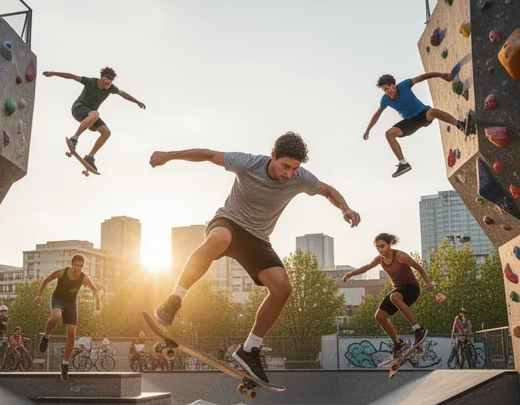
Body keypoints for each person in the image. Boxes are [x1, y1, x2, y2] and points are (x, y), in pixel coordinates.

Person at [149, 132, 361, 384]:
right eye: (285, 166)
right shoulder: (248, 163)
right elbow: (208, 155)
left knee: (282, 287)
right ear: (273, 156)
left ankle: (250, 349)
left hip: (257, 239)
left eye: (294, 169)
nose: (289, 174)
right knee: (219, 239)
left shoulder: (301, 178)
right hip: (229, 222)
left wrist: (345, 208)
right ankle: (173, 300)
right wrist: (169, 156)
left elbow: (327, 190)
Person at [363, 72, 473, 177]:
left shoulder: (405, 85)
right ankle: (403, 164)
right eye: (384, 90)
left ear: (393, 85)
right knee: (389, 133)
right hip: (409, 122)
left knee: (433, 112)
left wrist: (441, 75)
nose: (387, 92)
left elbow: (423, 77)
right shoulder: (385, 100)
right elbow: (376, 115)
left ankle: (460, 125)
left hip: (422, 114)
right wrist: (367, 130)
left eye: (387, 89)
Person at [342, 233, 434, 358]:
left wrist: (427, 282)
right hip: (398, 290)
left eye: (382, 246)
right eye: (377, 247)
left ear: (389, 244)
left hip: (412, 288)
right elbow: (367, 267)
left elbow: (419, 268)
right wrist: (350, 274)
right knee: (379, 316)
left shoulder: (400, 256)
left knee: (394, 297)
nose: (380, 250)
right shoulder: (379, 259)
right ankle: (398, 343)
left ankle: (418, 329)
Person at [42, 67, 145, 173]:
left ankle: (90, 157)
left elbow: (124, 95)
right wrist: (53, 73)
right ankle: (74, 139)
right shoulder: (90, 82)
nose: (106, 85)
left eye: (109, 83)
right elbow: (71, 76)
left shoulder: (111, 88)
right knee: (95, 114)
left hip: (90, 116)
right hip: (78, 109)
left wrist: (137, 102)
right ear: (101, 78)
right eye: (105, 81)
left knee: (106, 132)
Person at [34, 254, 101, 380]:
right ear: (71, 264)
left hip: (71, 305)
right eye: (76, 265)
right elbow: (46, 280)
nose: (77, 268)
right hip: (58, 300)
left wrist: (98, 301)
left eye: (80, 266)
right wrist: (39, 295)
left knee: (71, 334)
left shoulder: (83, 277)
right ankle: (46, 336)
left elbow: (94, 289)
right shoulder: (62, 272)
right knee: (56, 317)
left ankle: (65, 364)